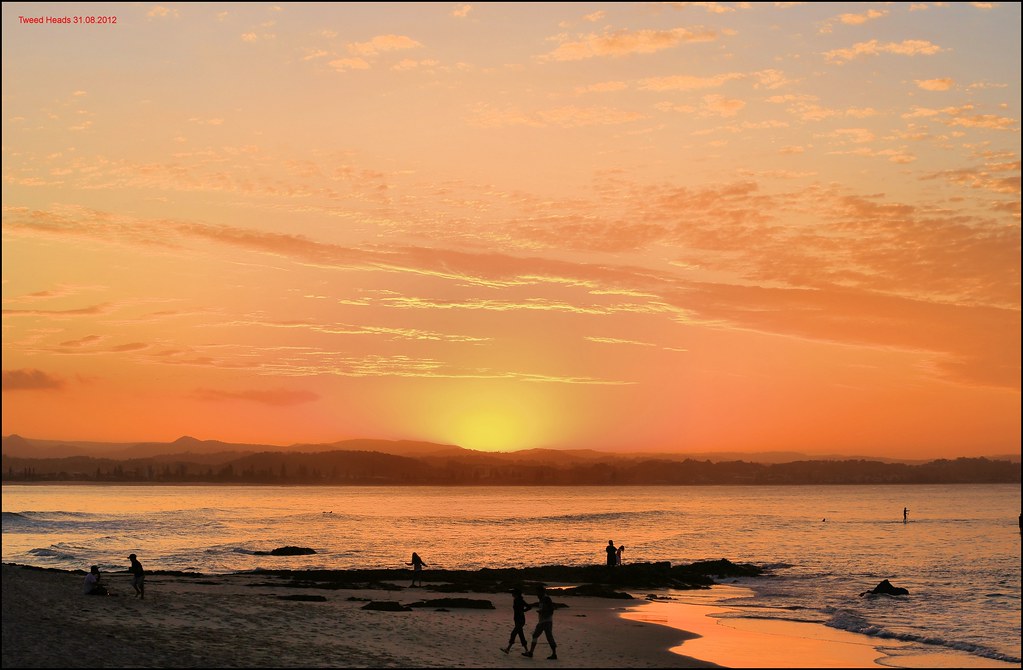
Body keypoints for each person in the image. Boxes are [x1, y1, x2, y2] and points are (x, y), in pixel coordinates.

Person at [522, 585, 557, 660]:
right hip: (544, 621)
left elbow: (551, 610)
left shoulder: (546, 599)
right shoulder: (543, 599)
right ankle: (553, 653)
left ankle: (531, 653)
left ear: (541, 592)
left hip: (545, 621)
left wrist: (542, 612)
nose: (536, 594)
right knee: (544, 636)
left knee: (540, 636)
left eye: (537, 592)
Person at [500, 587, 532, 654]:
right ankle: (526, 650)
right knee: (521, 634)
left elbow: (529, 607)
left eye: (513, 593)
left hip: (520, 620)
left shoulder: (519, 600)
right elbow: (528, 607)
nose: (512, 594)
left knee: (513, 633)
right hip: (518, 620)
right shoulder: (517, 600)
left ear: (516, 593)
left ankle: (508, 649)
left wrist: (523, 611)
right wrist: (523, 611)